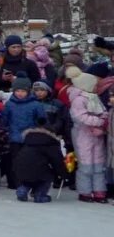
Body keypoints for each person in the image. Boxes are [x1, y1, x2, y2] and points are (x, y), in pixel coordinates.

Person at [68, 70, 109, 203]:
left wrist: (103, 121)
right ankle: (85, 191)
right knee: (86, 165)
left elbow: (103, 112)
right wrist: (98, 122)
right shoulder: (78, 100)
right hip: (83, 135)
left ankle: (99, 191)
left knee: (98, 164)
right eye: (94, 85)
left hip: (97, 135)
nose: (96, 87)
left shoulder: (94, 98)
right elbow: (80, 117)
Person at [0, 77, 47, 189]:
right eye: (17, 91)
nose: (20, 93)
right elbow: (4, 120)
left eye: (23, 91)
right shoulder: (10, 104)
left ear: (28, 91)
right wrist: (3, 129)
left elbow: (42, 119)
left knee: (29, 160)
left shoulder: (35, 104)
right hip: (14, 137)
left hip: (30, 137)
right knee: (15, 160)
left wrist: (41, 122)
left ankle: (29, 181)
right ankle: (16, 182)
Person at [13, 126, 65, 203]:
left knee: (28, 179)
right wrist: (64, 174)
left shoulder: (28, 140)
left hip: (21, 169)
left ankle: (22, 191)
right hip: (39, 171)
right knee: (45, 177)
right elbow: (57, 161)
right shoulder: (51, 143)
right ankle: (40, 195)